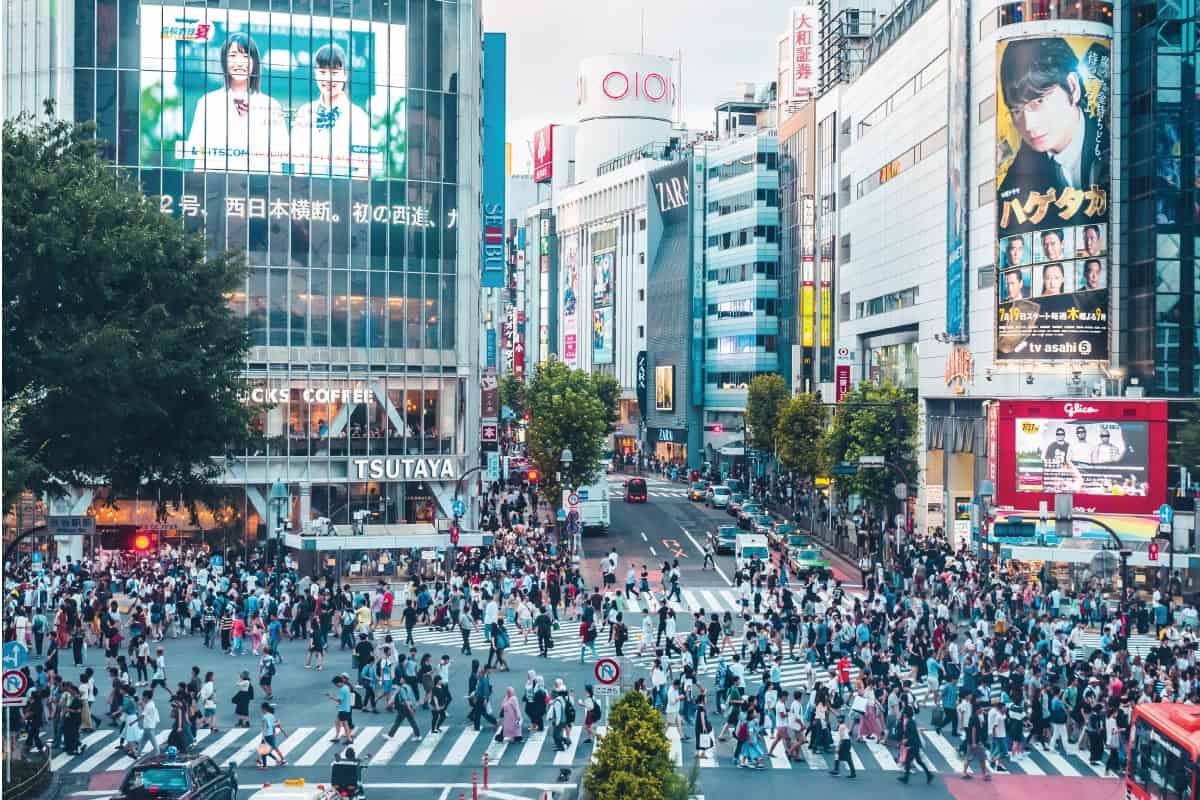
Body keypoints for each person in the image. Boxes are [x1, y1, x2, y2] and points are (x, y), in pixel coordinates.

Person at [997, 36, 1108, 227]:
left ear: (1072, 88)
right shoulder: (1015, 179)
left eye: (1038, 102)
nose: (1028, 125)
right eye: (1016, 111)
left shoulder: (1111, 142)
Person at [182, 33, 288, 173]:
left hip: (258, 187)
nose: (239, 62)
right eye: (232, 56)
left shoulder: (271, 106)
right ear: (223, 61)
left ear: (255, 63)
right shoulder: (207, 103)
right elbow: (199, 155)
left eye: (245, 56)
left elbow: (277, 159)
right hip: (217, 186)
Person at [290, 43, 377, 178]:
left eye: (335, 73)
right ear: (315, 73)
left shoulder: (358, 117)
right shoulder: (304, 113)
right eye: (323, 72)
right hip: (310, 193)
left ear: (345, 75)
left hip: (346, 193)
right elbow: (298, 166)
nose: (328, 78)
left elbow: (365, 169)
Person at [898, 707, 933, 784]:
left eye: (904, 713)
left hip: (913, 745)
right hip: (914, 744)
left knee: (908, 761)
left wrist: (906, 740)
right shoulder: (911, 721)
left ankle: (906, 778)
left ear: (906, 714)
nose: (903, 714)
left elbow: (912, 734)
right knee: (918, 761)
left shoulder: (910, 723)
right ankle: (929, 775)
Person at [328, 675, 356, 744]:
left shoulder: (342, 689)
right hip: (345, 708)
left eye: (336, 684)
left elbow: (339, 700)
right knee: (337, 722)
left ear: (339, 682)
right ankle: (337, 737)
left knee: (345, 724)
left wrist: (331, 697)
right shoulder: (346, 687)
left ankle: (349, 739)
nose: (336, 686)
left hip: (343, 710)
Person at [258, 702, 286, 769]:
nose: (261, 710)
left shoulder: (264, 717)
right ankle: (279, 760)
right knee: (268, 749)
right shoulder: (272, 715)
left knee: (264, 750)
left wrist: (263, 736)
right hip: (271, 735)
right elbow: (274, 725)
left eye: (261, 709)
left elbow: (265, 727)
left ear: (264, 709)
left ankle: (265, 765)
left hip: (267, 735)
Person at [829, 713, 857, 778]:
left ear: (842, 719)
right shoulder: (843, 725)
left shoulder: (841, 726)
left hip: (844, 742)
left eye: (839, 718)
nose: (838, 719)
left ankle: (838, 770)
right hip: (847, 742)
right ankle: (836, 770)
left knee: (846, 758)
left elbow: (841, 738)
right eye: (838, 718)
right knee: (839, 756)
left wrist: (838, 746)